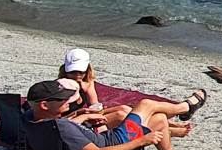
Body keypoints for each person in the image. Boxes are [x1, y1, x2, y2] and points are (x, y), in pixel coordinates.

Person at [23, 79, 205, 150]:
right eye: (62, 99)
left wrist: (82, 117)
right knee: (146, 104)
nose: (69, 101)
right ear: (45, 105)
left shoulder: (29, 119)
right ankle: (185, 108)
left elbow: (67, 134)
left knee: (157, 119)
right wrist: (142, 141)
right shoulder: (61, 127)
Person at [60, 48, 208, 121]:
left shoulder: (87, 81)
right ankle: (184, 108)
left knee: (126, 108)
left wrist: (87, 88)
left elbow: (95, 105)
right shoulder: (62, 86)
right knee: (128, 110)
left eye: (81, 72)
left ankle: (181, 112)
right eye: (73, 72)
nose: (78, 76)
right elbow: (75, 115)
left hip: (87, 118)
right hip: (81, 122)